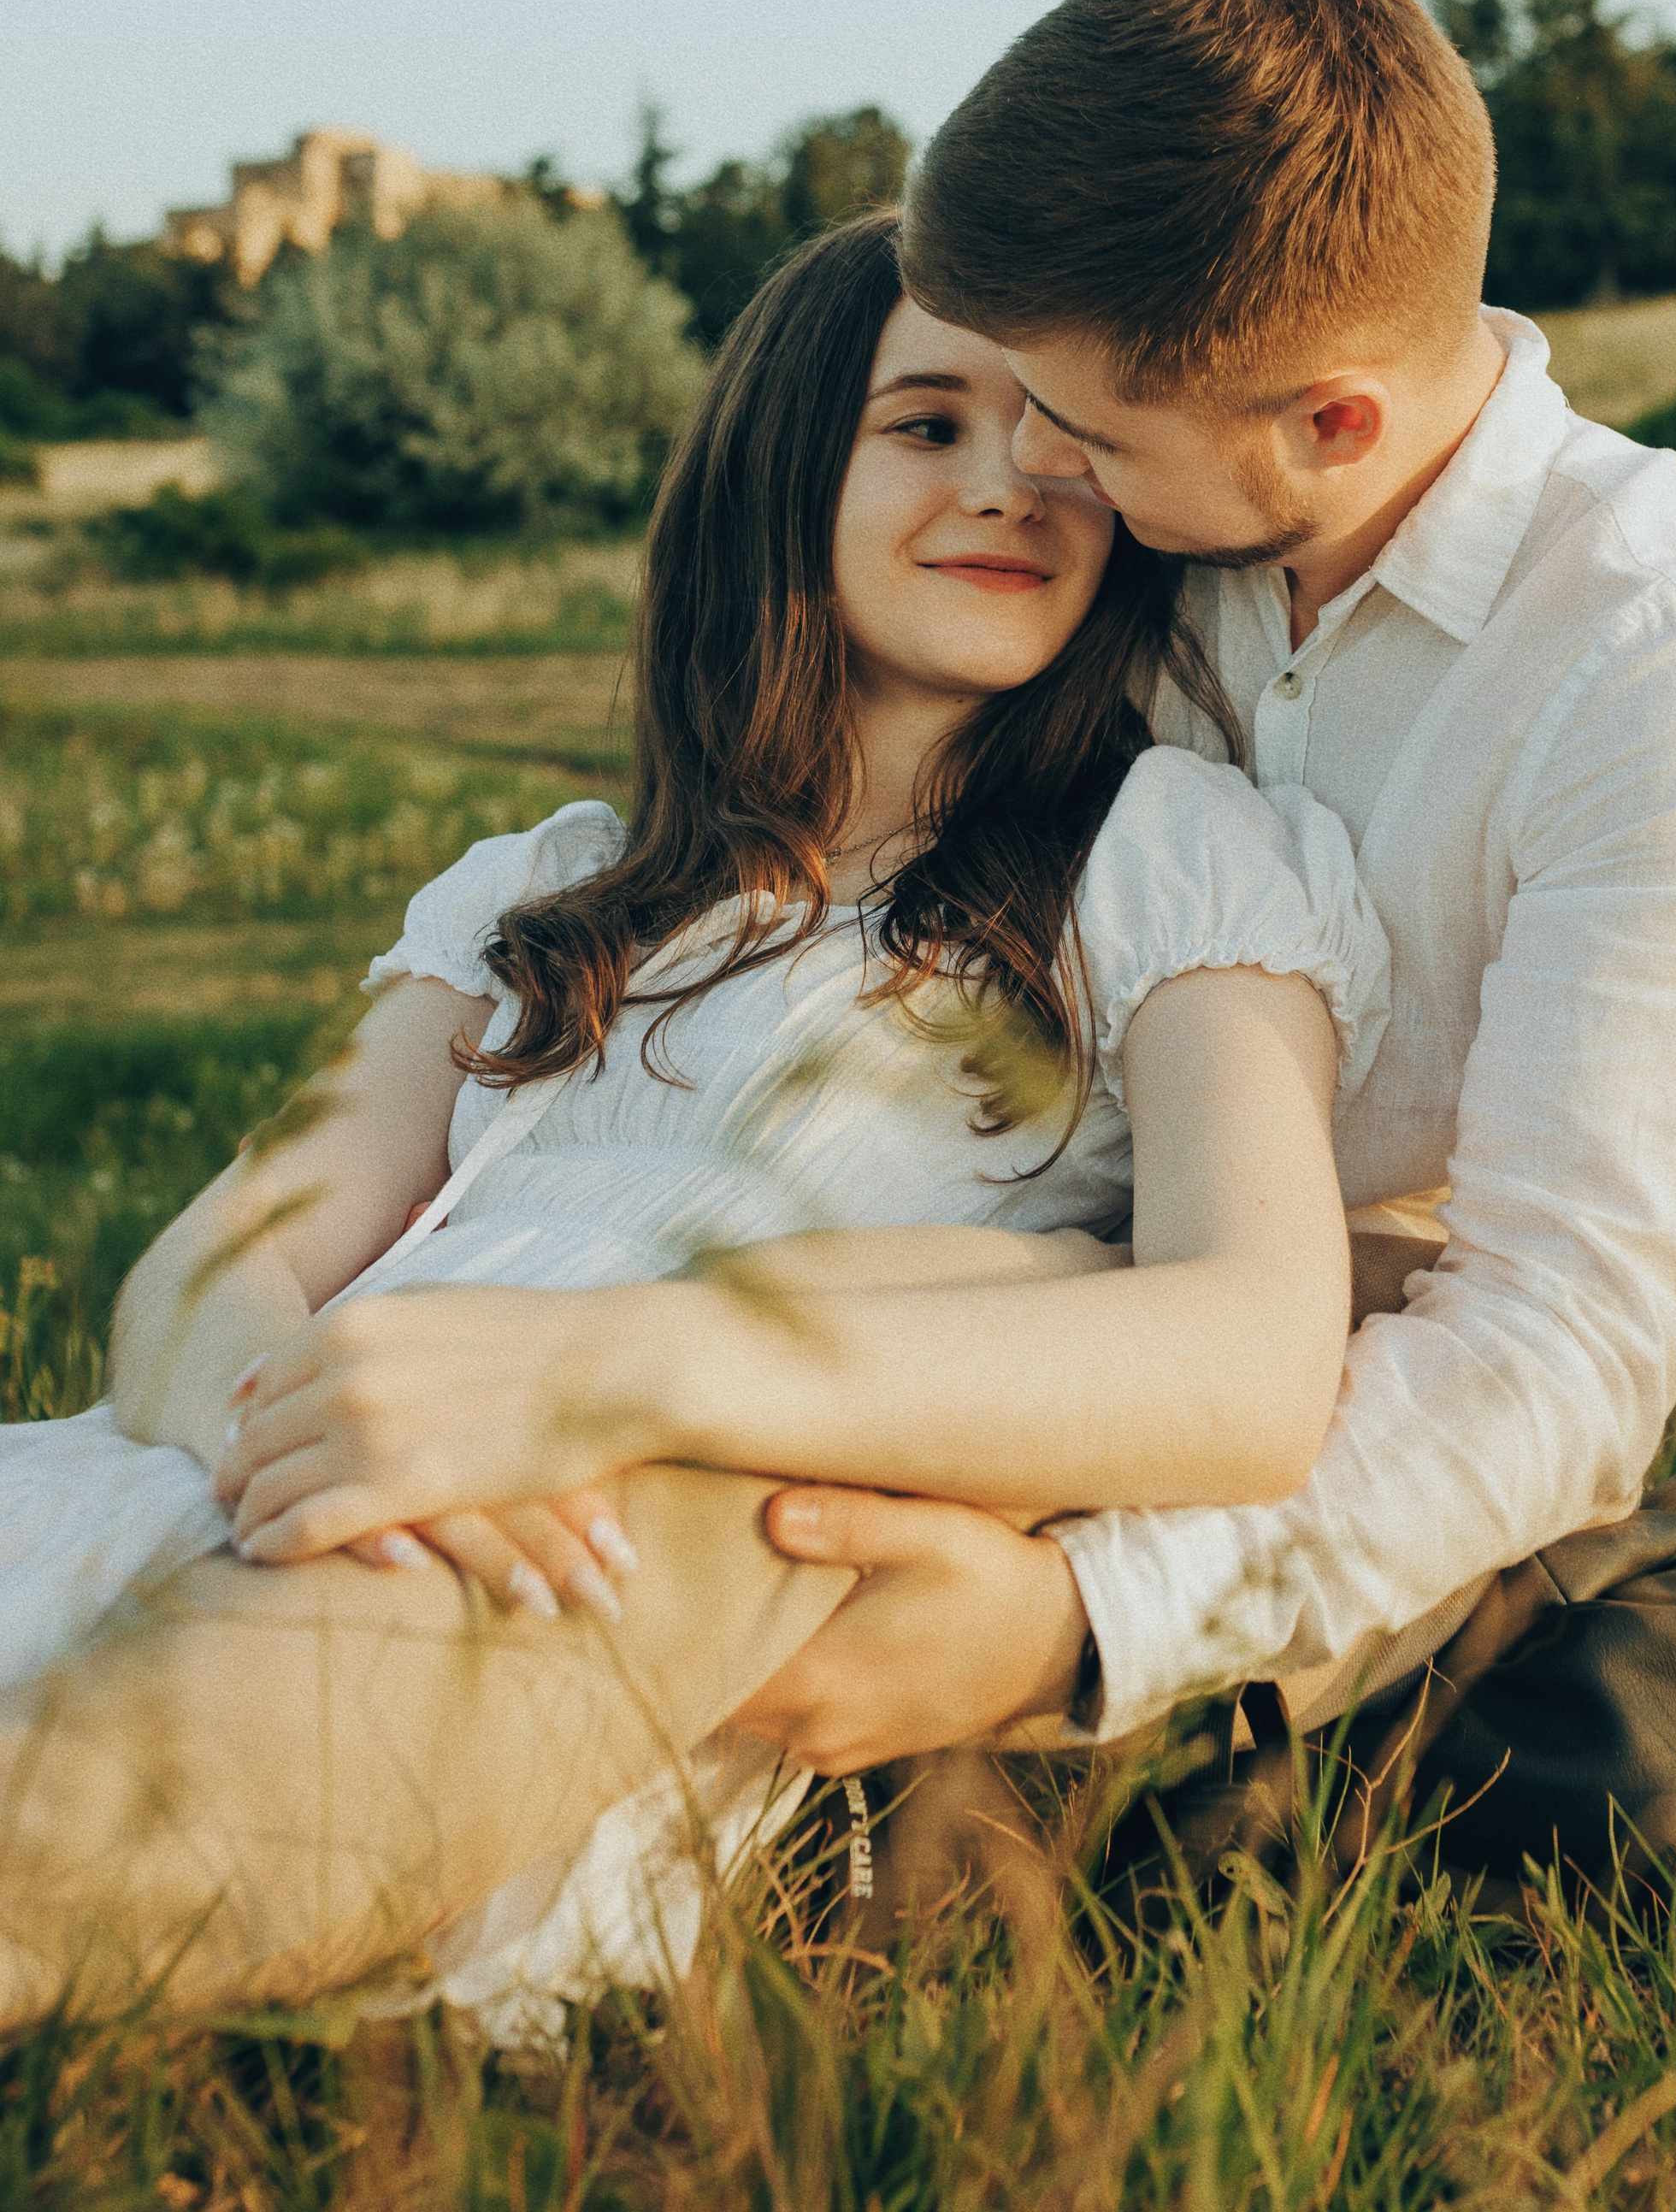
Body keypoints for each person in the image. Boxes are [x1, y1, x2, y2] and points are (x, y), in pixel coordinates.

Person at [0, 209, 1389, 2032]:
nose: (1016, 485)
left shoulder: (1166, 854)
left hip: (624, 1537)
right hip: (295, 1474)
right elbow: (207, 1272)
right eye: (927, 425)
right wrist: (318, 1431)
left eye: (1060, 437)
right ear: (779, 464)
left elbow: (1250, 1352)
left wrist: (586, 1385)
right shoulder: (559, 885)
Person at [685, 0, 1676, 1777]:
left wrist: (1079, 1624)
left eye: (1085, 429)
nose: (1041, 475)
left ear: (1328, 421)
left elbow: (1549, 1356)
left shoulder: (1667, 687)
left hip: (1331, 1405)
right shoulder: (1163, 528)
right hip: (964, 1278)